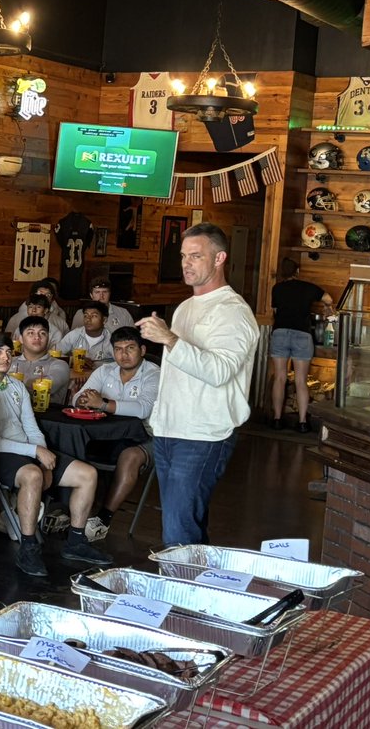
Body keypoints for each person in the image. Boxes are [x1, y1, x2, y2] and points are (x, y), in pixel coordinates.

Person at [137, 223, 260, 547]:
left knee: (178, 532)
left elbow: (219, 371)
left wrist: (168, 338)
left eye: (196, 255)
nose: (186, 263)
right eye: (183, 256)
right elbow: (177, 372)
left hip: (204, 433)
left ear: (219, 258)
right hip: (170, 429)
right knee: (184, 525)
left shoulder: (233, 312)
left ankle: (182, 593)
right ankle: (196, 589)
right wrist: (158, 419)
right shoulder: (185, 308)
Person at [0, 332, 112, 576]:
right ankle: (28, 547)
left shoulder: (15, 384)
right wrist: (35, 452)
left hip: (28, 449)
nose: (5, 357)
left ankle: (76, 541)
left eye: (7, 352)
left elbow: (31, 426)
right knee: (33, 476)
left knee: (87, 474)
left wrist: (42, 453)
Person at [73, 327, 160, 541]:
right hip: (107, 435)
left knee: (130, 457)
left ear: (142, 349)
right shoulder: (104, 371)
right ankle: (72, 513)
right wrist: (83, 400)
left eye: (130, 348)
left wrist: (102, 404)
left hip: (148, 436)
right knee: (73, 443)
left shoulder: (154, 373)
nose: (124, 354)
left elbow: (142, 409)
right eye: (118, 349)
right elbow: (76, 399)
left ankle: (103, 518)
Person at [269, 258, 332, 433]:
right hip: (302, 335)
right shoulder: (308, 287)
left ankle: (277, 419)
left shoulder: (277, 288)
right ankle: (303, 422)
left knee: (280, 378)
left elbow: (275, 312)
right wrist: (328, 307)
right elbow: (328, 298)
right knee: (301, 381)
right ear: (297, 271)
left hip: (280, 333)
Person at [10, 316, 70, 407]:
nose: (37, 337)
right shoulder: (10, 362)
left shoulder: (59, 365)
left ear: (48, 338)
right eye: (31, 333)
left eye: (42, 333)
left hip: (46, 418)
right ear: (21, 339)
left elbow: (44, 387)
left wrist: (8, 383)